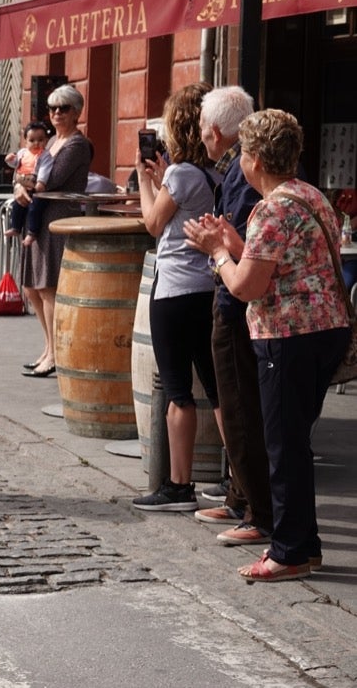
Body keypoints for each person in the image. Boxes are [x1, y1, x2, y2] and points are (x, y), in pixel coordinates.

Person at [184, 109, 349, 582]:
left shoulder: (273, 208)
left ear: (254, 159)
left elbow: (246, 287)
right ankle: (304, 545)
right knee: (293, 442)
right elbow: (287, 261)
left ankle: (289, 551)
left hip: (289, 336)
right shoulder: (311, 196)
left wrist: (217, 253)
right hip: (325, 331)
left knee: (283, 445)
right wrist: (235, 241)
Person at [131, 82, 223, 512]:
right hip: (209, 288)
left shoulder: (181, 174)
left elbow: (152, 222)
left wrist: (148, 179)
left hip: (174, 291)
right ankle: (235, 480)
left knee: (177, 391)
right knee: (219, 387)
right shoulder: (217, 173)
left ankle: (178, 486)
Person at [193, 85, 273, 544]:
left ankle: (258, 513)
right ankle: (242, 498)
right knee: (242, 406)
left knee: (241, 408)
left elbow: (246, 254)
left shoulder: (248, 174)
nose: (204, 139)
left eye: (205, 132)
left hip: (239, 305)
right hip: (240, 302)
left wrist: (216, 246)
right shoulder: (241, 174)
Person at [12, 84, 93, 377]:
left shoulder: (75, 144)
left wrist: (24, 183)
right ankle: (48, 347)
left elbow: (53, 179)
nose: (57, 113)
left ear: (76, 113)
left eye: (64, 108)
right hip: (38, 217)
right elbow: (23, 168)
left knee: (48, 289)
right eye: (52, 108)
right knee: (31, 287)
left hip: (57, 219)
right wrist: (18, 184)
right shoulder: (50, 143)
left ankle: (57, 355)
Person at [4, 120, 53, 246]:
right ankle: (15, 227)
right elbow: (16, 163)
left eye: (40, 140)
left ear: (46, 141)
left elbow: (45, 169)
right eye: (32, 140)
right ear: (25, 141)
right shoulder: (22, 153)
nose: (36, 143)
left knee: (34, 208)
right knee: (17, 205)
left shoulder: (45, 156)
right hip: (21, 182)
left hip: (34, 185)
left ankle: (32, 233)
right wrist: (10, 160)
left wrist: (41, 183)